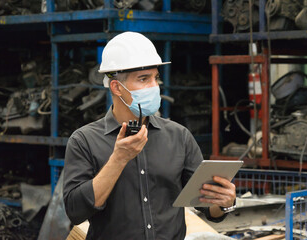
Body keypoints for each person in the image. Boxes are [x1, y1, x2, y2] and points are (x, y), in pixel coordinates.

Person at [63, 31, 236, 240]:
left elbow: (208, 207)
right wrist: (118, 159)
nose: (154, 87)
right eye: (143, 79)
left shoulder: (179, 137)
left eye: (155, 78)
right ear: (117, 87)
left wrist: (224, 203)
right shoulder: (84, 141)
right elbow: (76, 210)